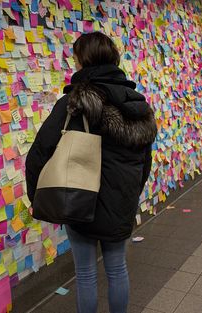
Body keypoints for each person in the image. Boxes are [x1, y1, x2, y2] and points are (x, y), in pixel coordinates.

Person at [25, 32, 157, 313]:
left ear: (83, 60)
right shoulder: (138, 105)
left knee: (85, 274)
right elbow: (145, 161)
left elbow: (39, 152)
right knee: (117, 268)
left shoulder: (75, 102)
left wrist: (35, 197)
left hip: (78, 199)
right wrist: (130, 196)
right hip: (121, 203)